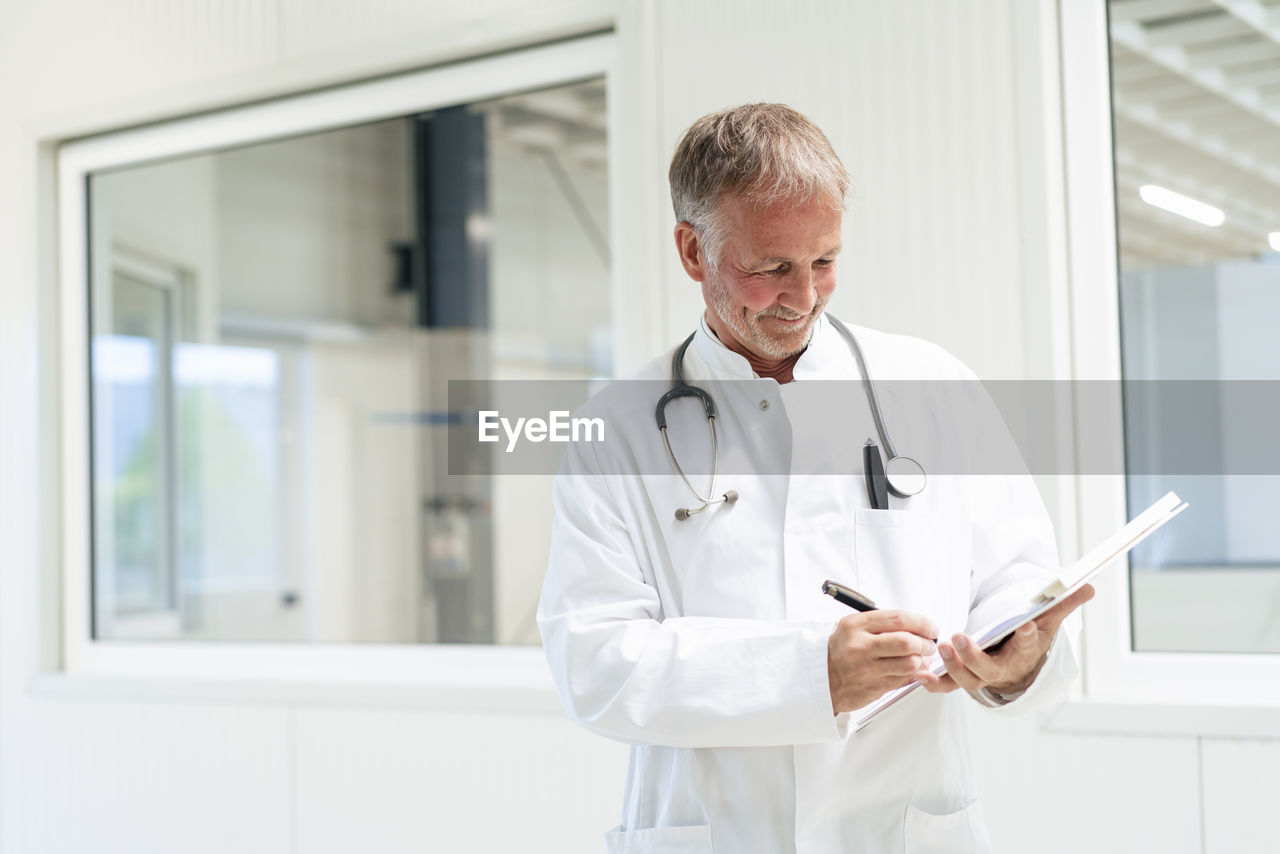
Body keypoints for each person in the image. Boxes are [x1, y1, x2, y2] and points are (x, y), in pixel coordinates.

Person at [537, 103, 1093, 854]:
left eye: (824, 261)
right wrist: (809, 674)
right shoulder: (615, 432)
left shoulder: (932, 385)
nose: (803, 297)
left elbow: (1016, 581)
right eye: (770, 269)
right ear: (692, 250)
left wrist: (1021, 659)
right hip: (718, 832)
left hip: (907, 827)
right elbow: (594, 663)